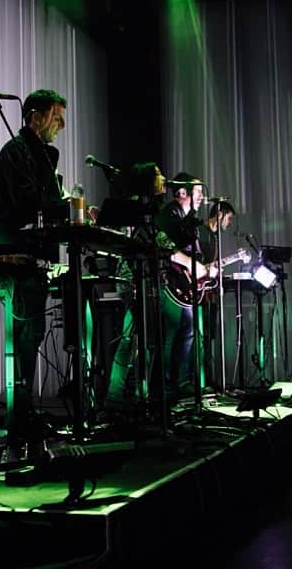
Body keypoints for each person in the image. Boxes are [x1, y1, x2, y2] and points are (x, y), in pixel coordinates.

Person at [0, 89, 69, 447]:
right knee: (25, 335)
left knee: (33, 334)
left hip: (36, 255)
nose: (62, 125)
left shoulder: (40, 156)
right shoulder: (15, 154)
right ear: (35, 117)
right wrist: (63, 207)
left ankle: (24, 413)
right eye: (56, 117)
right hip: (19, 254)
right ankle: (19, 415)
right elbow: (24, 204)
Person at [103, 161, 168, 419]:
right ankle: (115, 397)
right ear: (147, 181)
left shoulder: (156, 209)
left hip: (150, 279)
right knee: (131, 339)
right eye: (158, 175)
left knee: (146, 340)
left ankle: (140, 396)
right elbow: (127, 241)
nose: (163, 178)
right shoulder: (132, 206)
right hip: (132, 279)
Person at [156, 172, 213, 398]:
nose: (201, 197)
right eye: (198, 192)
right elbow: (165, 246)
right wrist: (192, 265)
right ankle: (168, 384)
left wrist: (204, 269)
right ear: (182, 192)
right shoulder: (170, 214)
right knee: (173, 333)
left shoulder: (190, 219)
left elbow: (194, 253)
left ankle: (181, 381)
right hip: (168, 284)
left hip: (184, 287)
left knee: (188, 331)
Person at [198, 200, 236, 387]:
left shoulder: (214, 237)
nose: (229, 224)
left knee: (209, 336)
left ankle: (209, 379)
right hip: (198, 294)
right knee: (200, 336)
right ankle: (200, 380)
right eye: (228, 218)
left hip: (209, 292)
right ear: (220, 215)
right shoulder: (201, 232)